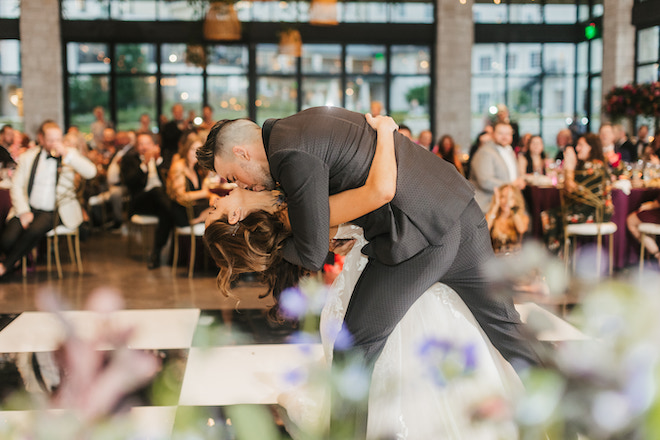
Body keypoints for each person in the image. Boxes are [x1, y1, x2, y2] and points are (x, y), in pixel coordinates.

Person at [203, 115, 522, 438]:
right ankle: (572, 421)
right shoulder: (293, 136)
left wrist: (385, 133)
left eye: (232, 178)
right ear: (234, 217)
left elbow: (326, 238)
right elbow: (338, 212)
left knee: (353, 350)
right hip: (456, 206)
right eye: (227, 194)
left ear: (243, 153)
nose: (236, 187)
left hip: (419, 235)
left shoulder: (290, 157)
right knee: (507, 327)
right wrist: (385, 131)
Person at [0, 121, 97, 278]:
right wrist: (24, 211)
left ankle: (5, 267)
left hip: (54, 210)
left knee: (33, 231)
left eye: (58, 139)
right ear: (41, 138)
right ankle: (15, 263)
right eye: (51, 139)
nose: (55, 143)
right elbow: (16, 186)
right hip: (28, 207)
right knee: (6, 239)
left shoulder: (69, 154)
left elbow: (91, 172)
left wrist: (67, 154)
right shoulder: (27, 157)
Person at [542, 133, 612, 255]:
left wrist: (568, 167)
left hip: (595, 212)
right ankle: (560, 257)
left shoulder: (594, 165)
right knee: (552, 214)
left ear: (591, 147)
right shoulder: (588, 164)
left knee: (551, 216)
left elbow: (571, 188)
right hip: (587, 208)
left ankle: (554, 259)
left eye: (581, 145)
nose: (577, 148)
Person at [120, 133, 172, 269]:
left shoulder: (162, 159)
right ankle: (177, 215)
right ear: (137, 147)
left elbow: (169, 179)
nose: (144, 147)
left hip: (159, 203)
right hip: (140, 201)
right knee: (158, 192)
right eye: (141, 144)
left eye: (147, 143)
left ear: (154, 145)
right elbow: (129, 182)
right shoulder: (129, 159)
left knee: (165, 212)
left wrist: (158, 160)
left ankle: (156, 253)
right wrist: (144, 164)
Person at [469, 122, 526, 213]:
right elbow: (485, 181)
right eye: (500, 133)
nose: (504, 137)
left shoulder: (509, 150)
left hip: (506, 202)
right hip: (488, 204)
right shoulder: (485, 152)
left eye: (507, 134)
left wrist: (520, 181)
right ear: (493, 134)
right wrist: (511, 184)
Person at [166, 133, 213, 226]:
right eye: (192, 149)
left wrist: (210, 195)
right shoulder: (179, 166)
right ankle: (199, 220)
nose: (195, 153)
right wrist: (206, 193)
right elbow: (181, 196)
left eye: (198, 150)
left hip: (195, 208)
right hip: (183, 212)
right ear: (186, 149)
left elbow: (205, 191)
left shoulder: (198, 169)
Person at [486, 184, 529, 255]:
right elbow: (484, 229)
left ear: (516, 200)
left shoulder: (522, 217)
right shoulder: (492, 217)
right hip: (495, 261)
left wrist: (512, 207)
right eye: (503, 197)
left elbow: (521, 229)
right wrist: (496, 205)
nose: (506, 201)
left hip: (514, 260)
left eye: (511, 198)